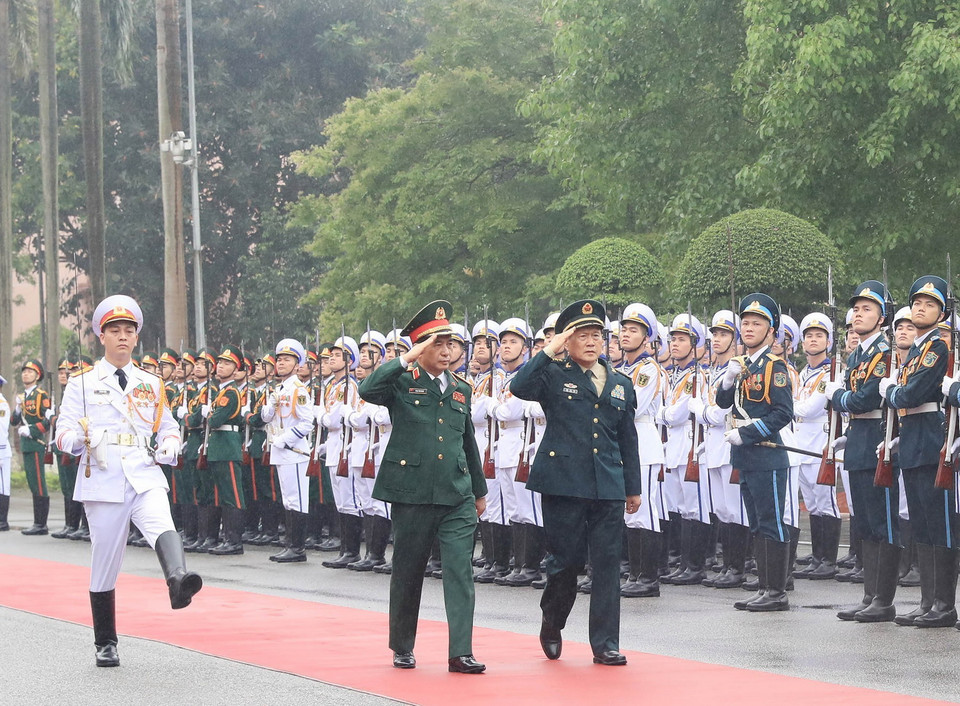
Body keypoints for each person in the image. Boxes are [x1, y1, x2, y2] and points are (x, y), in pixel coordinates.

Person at [56, 295, 202, 667]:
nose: (122, 336)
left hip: (143, 470)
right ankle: (105, 641)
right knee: (105, 561)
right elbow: (63, 433)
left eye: (129, 331)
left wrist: (169, 446)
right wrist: (78, 441)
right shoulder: (82, 383)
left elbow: (168, 428)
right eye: (114, 330)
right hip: (103, 477)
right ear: (101, 337)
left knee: (161, 521)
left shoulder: (150, 383)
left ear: (136, 338)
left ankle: (178, 581)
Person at [358, 300, 487, 674]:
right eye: (437, 344)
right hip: (412, 492)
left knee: (460, 570)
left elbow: (467, 441)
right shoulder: (400, 382)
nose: (447, 351)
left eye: (451, 344)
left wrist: (478, 491)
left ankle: (460, 651)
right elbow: (367, 388)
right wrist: (405, 358)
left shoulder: (461, 388)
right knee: (408, 570)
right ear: (419, 347)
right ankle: (402, 645)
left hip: (456, 492)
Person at [510, 299, 641, 666]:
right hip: (564, 484)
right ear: (567, 341)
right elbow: (518, 386)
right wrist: (550, 350)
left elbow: (626, 437)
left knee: (607, 565)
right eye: (581, 335)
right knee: (565, 564)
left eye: (596, 335)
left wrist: (633, 487)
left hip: (608, 485)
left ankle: (605, 644)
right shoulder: (552, 375)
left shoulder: (620, 384)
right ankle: (552, 621)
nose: (590, 341)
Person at [824, 281, 901, 622]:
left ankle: (884, 600)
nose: (858, 313)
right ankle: (869, 594)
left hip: (876, 441)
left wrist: (837, 397)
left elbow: (864, 398)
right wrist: (843, 400)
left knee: (883, 523)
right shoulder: (857, 354)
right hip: (858, 439)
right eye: (856, 308)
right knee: (866, 525)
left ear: (882, 318)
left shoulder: (885, 353)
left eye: (866, 309)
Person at [715, 293, 794, 612]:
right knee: (757, 523)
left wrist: (746, 433)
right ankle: (764, 587)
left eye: (757, 323)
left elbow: (782, 413)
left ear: (771, 330)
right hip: (746, 458)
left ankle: (777, 591)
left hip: (768, 455)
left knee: (772, 521)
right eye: (745, 323)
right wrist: (728, 379)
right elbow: (723, 405)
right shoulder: (741, 364)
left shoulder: (774, 366)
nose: (749, 328)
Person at [889, 276, 955, 627]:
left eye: (929, 304)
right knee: (923, 526)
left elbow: (911, 394)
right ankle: (928, 601)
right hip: (913, 440)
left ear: (942, 312)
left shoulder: (937, 349)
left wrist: (891, 393)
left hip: (931, 442)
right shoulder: (916, 349)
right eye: (917, 302)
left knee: (939, 525)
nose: (920, 308)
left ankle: (944, 604)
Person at [12, 359, 52, 534]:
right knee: (32, 482)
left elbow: (48, 420)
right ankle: (37, 522)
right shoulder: (23, 397)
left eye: (30, 372)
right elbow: (14, 422)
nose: (25, 374)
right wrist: (18, 409)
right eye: (24, 371)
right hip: (26, 444)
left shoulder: (41, 395)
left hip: (36, 443)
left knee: (39, 482)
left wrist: (32, 430)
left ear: (37, 376)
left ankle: (41, 524)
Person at [0, 374, 10, 531]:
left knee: (2, 486)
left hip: (1, 451)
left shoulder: (2, 404)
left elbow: (1, 429)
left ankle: (2, 521)